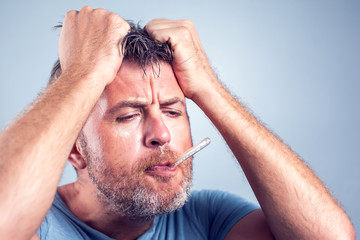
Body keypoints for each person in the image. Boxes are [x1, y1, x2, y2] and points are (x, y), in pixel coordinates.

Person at [0, 6, 355, 240]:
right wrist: (82, 73)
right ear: (75, 150)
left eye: (172, 111)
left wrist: (208, 87)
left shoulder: (210, 219)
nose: (162, 134)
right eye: (128, 115)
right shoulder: (40, 227)